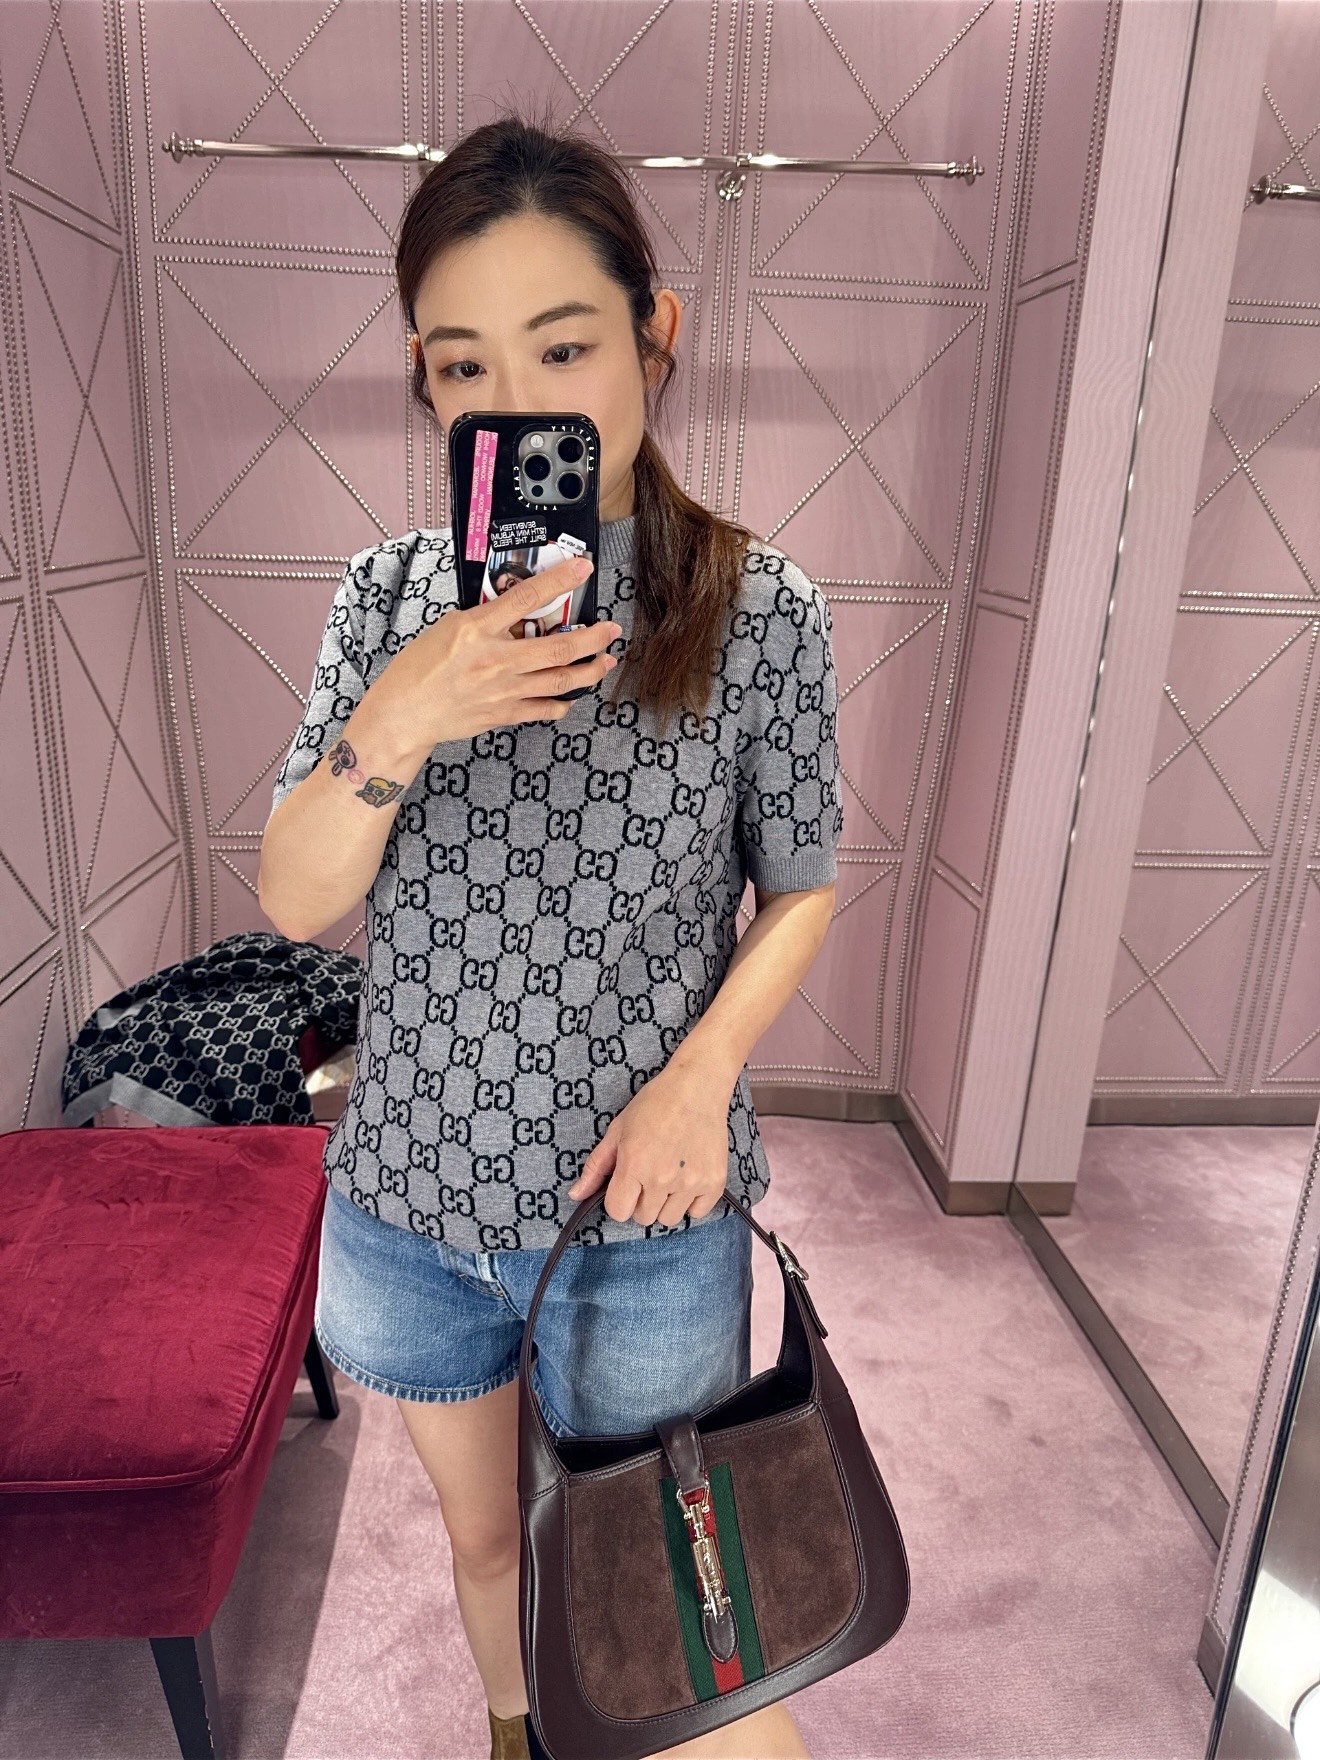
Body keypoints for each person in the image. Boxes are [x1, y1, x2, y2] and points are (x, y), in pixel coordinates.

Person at [258, 104, 842, 1760]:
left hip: (641, 1210)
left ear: (656, 335)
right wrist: (405, 713)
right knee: (485, 1548)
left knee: (674, 1607)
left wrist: (698, 1081)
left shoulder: (761, 610)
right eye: (464, 365)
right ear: (426, 380)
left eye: (564, 345)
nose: (514, 401)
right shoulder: (386, 604)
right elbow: (294, 897)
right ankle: (517, 1731)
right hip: (409, 1202)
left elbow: (803, 884)